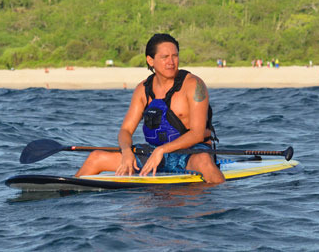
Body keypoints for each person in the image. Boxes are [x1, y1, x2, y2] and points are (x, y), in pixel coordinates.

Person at [75, 33, 225, 184]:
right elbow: (125, 130)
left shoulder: (194, 85)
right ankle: (66, 191)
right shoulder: (142, 89)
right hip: (154, 154)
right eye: (165, 57)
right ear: (150, 60)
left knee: (204, 160)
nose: (171, 62)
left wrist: (162, 150)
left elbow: (198, 134)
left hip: (189, 154)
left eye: (175, 56)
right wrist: (127, 151)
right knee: (96, 157)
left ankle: (222, 202)